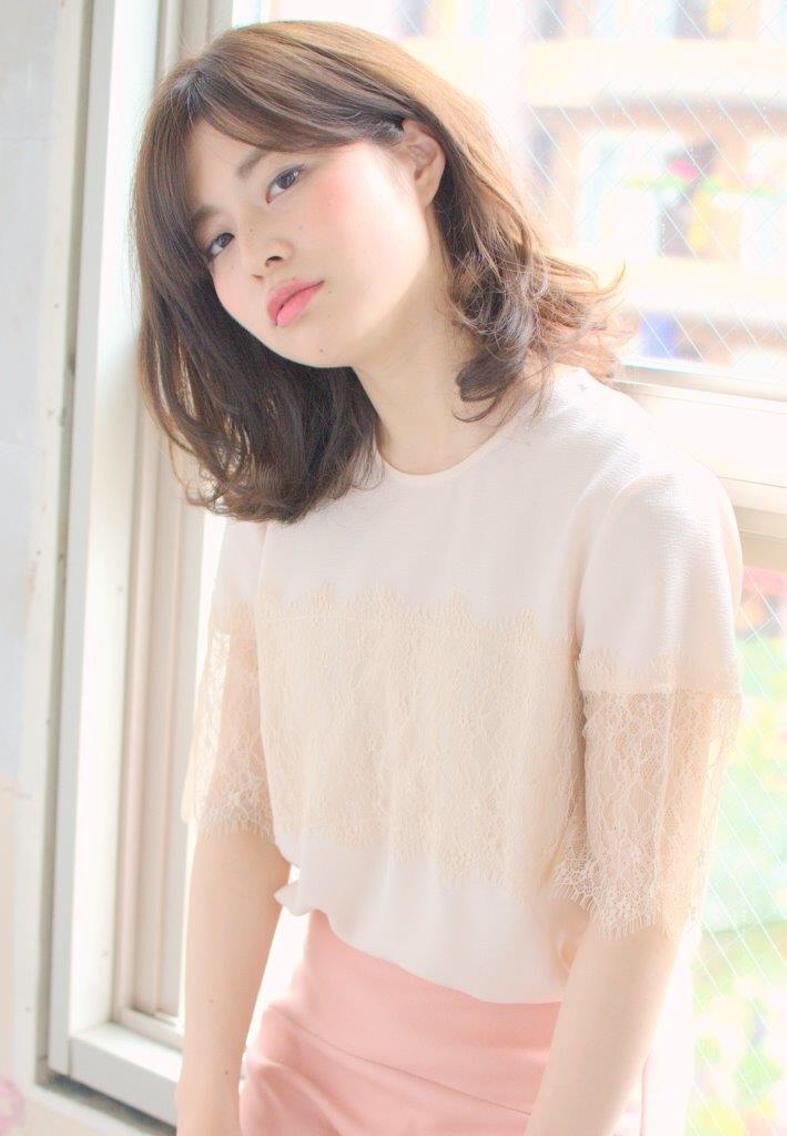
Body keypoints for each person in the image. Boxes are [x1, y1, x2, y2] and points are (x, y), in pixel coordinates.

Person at [130, 19, 743, 1136]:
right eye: (214, 238)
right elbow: (240, 817)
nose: (253, 251)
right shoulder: (286, 501)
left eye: (282, 179)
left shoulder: (630, 503)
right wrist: (205, 1095)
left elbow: (641, 911)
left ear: (416, 155)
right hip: (302, 1066)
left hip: (543, 1096)